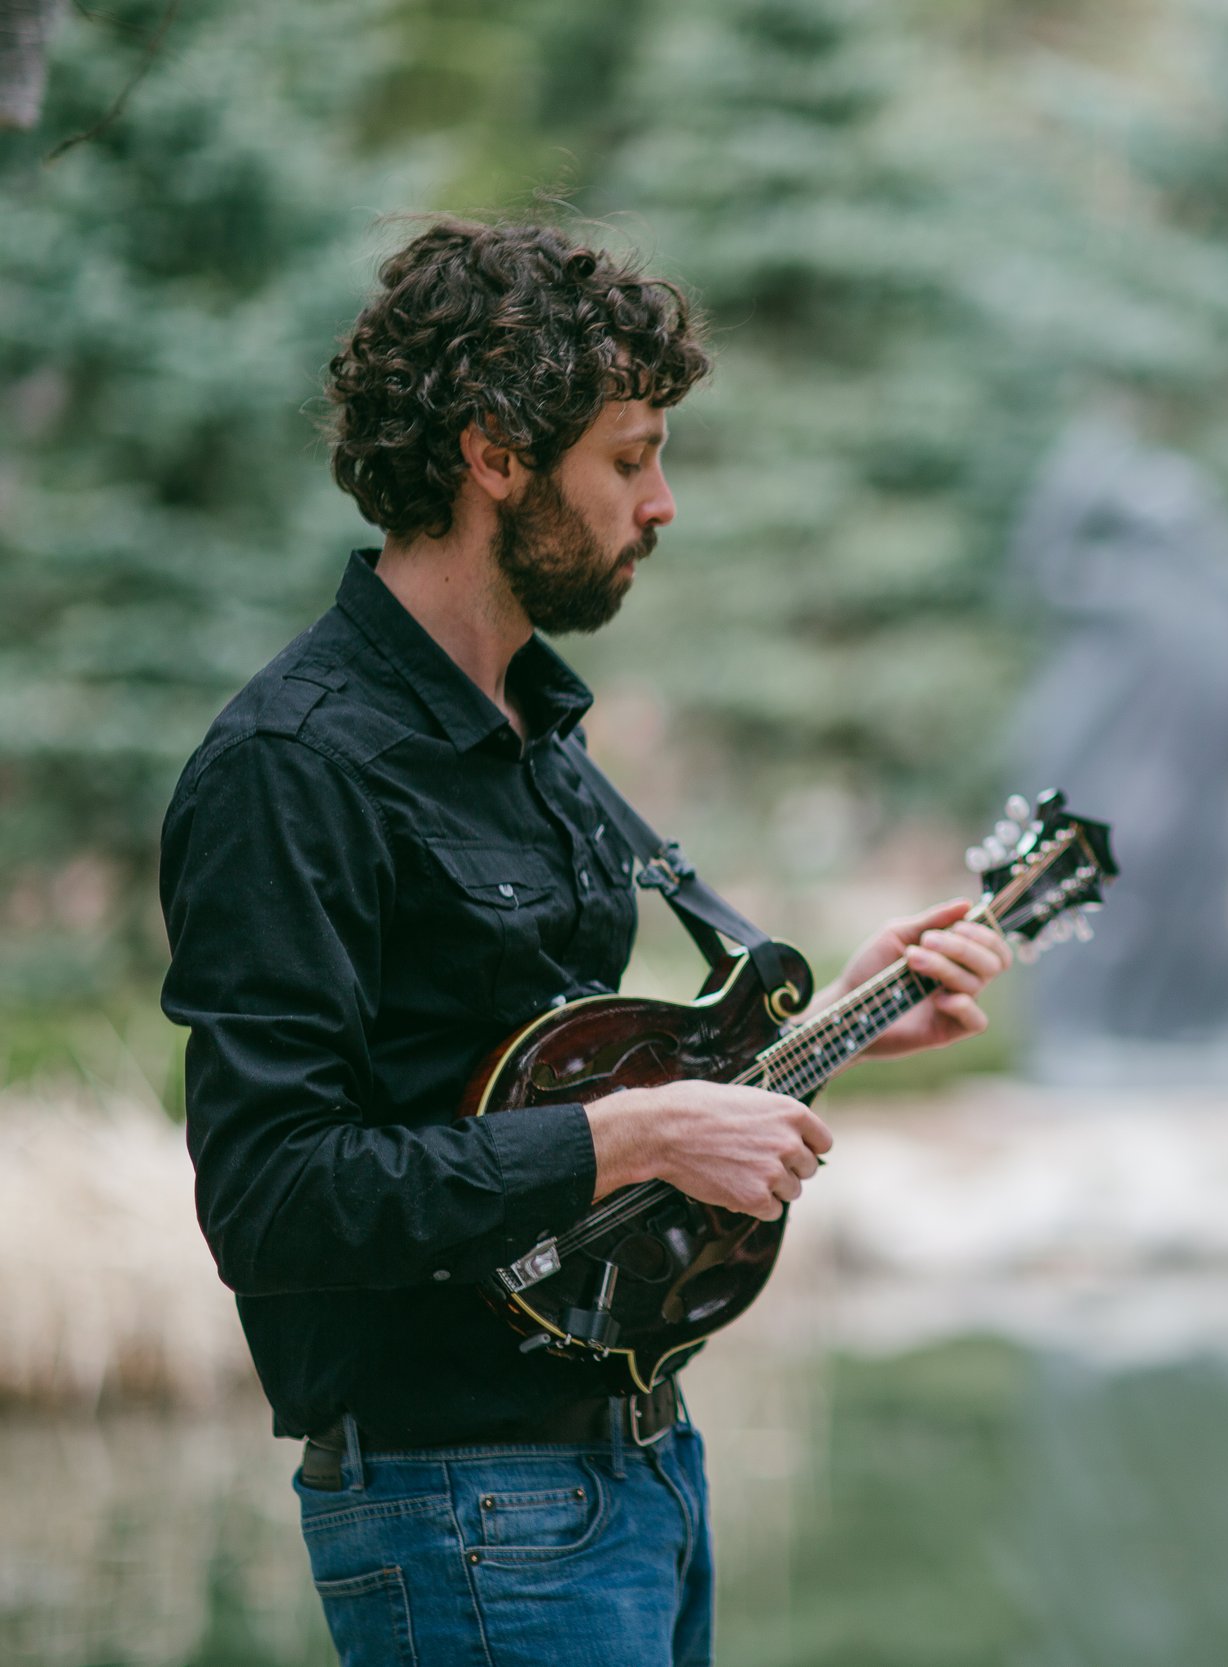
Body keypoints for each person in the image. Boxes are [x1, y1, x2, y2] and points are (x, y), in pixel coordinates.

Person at [158, 219, 1008, 1667]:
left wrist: (829, 1030)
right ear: (496, 455)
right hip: (463, 1501)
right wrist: (642, 1133)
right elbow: (272, 1193)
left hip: (639, 1470)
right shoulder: (291, 764)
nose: (663, 501)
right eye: (630, 456)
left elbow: (540, 1091)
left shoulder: (534, 734)